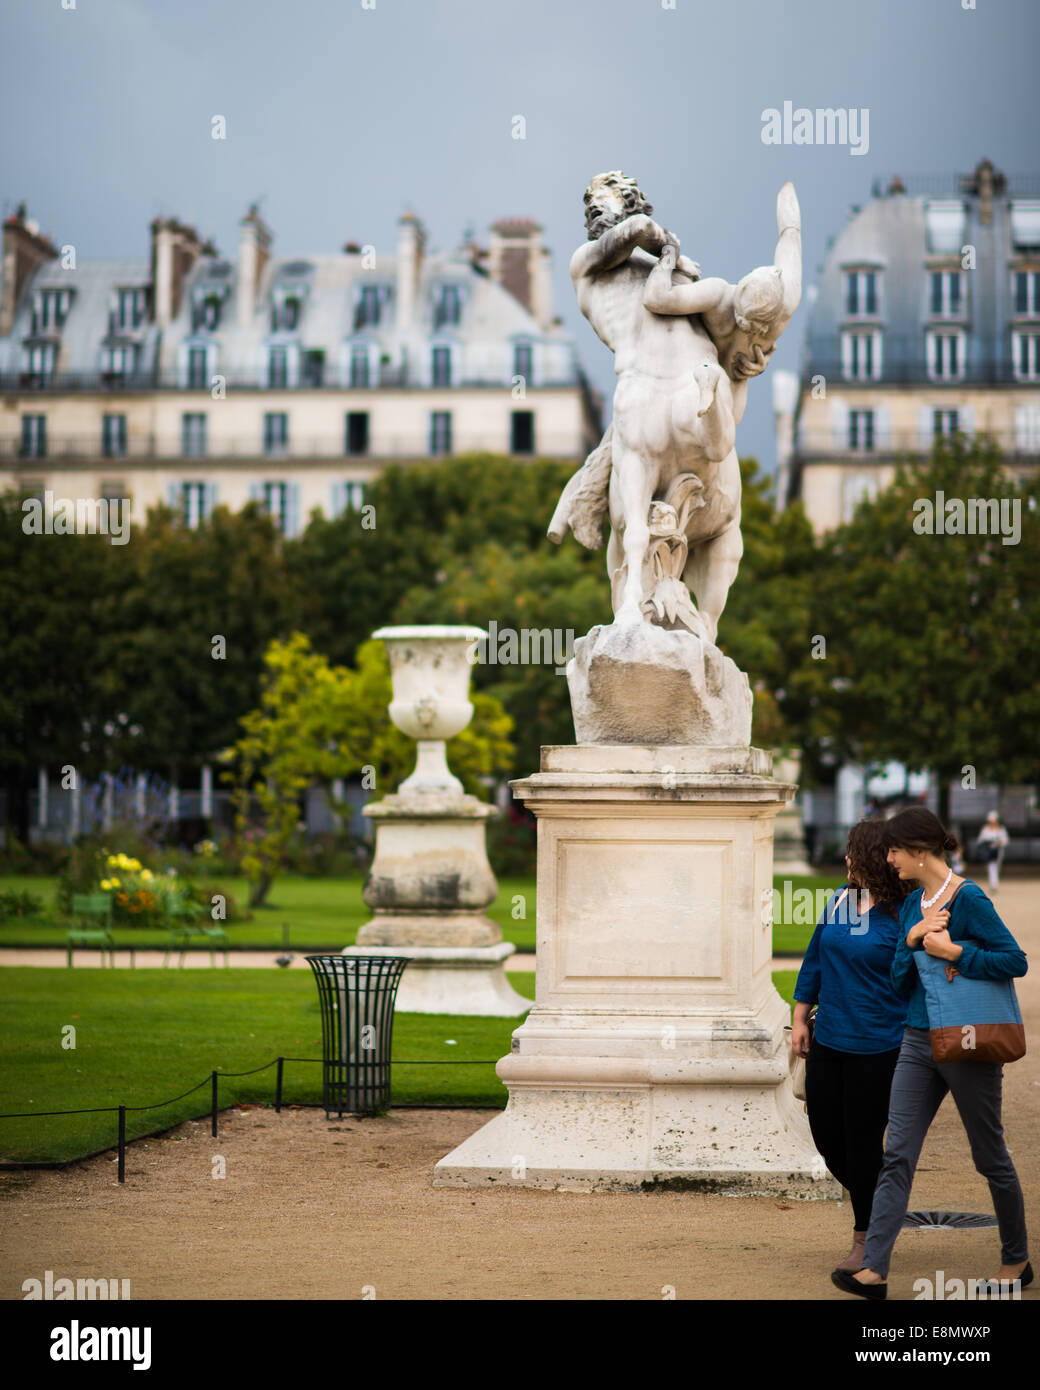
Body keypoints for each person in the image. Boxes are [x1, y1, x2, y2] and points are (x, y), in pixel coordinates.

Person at [831, 807, 1030, 1300]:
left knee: (989, 1156)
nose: (889, 858)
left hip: (965, 1039)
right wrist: (915, 938)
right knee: (897, 1152)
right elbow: (900, 979)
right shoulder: (914, 902)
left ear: (920, 852)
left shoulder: (970, 899)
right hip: (918, 1041)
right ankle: (874, 1270)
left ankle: (1017, 1261)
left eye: (895, 850)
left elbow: (1014, 960)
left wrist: (955, 952)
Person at [792, 820, 911, 1273]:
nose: (845, 859)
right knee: (826, 1135)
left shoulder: (904, 912)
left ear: (872, 857)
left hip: (881, 1045)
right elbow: (816, 957)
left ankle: (865, 1241)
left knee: (862, 1145)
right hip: (831, 1039)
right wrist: (801, 1016)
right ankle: (885, 1198)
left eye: (852, 851)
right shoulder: (843, 901)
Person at [976, 810, 1009, 894]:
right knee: (991, 867)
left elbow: (1006, 841)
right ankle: (993, 885)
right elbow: (979, 840)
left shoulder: (1001, 829)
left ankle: (994, 884)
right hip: (988, 852)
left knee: (996, 868)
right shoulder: (985, 829)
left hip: (998, 852)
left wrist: (999, 842)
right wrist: (987, 842)